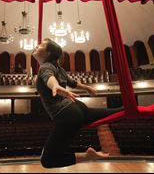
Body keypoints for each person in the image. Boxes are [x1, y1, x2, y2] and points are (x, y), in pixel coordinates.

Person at [32, 38, 124, 168]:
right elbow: (72, 82)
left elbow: (49, 78)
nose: (37, 45)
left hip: (66, 114)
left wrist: (55, 86)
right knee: (115, 112)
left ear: (48, 53)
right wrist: (86, 87)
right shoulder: (58, 68)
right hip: (77, 108)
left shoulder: (45, 67)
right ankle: (133, 108)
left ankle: (88, 156)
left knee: (47, 160)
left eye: (41, 45)